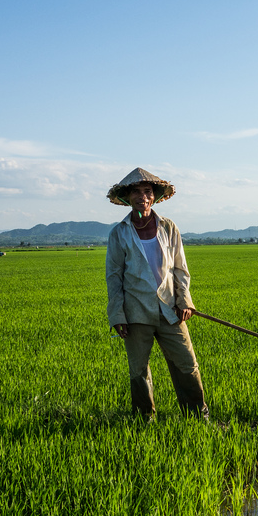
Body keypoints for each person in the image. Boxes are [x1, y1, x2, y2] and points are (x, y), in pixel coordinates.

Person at [105, 167, 209, 420]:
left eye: (147, 192)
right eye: (137, 192)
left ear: (154, 197)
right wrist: (117, 315)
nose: (143, 197)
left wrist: (184, 300)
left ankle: (197, 416)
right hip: (136, 312)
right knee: (138, 370)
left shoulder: (168, 227)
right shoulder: (119, 233)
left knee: (186, 363)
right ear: (128, 198)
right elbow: (114, 277)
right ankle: (145, 419)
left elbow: (180, 268)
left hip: (170, 310)